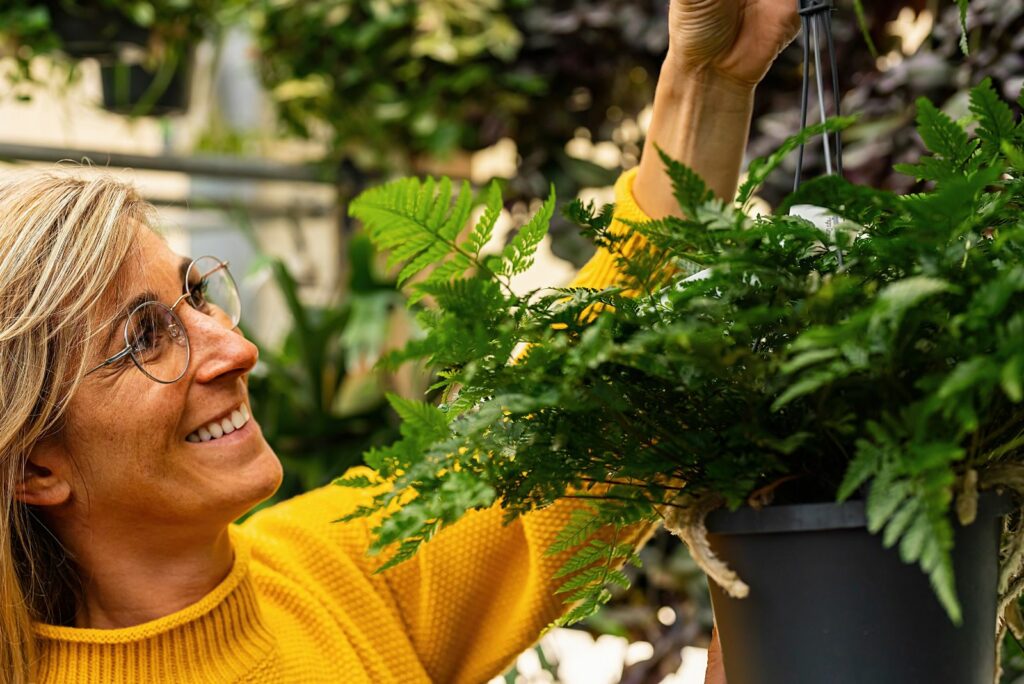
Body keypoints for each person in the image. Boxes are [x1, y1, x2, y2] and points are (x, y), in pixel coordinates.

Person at [0, 0, 798, 681]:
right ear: (38, 465)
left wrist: (708, 79)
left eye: (198, 296)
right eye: (148, 337)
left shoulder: (326, 569)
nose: (237, 351)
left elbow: (570, 415)